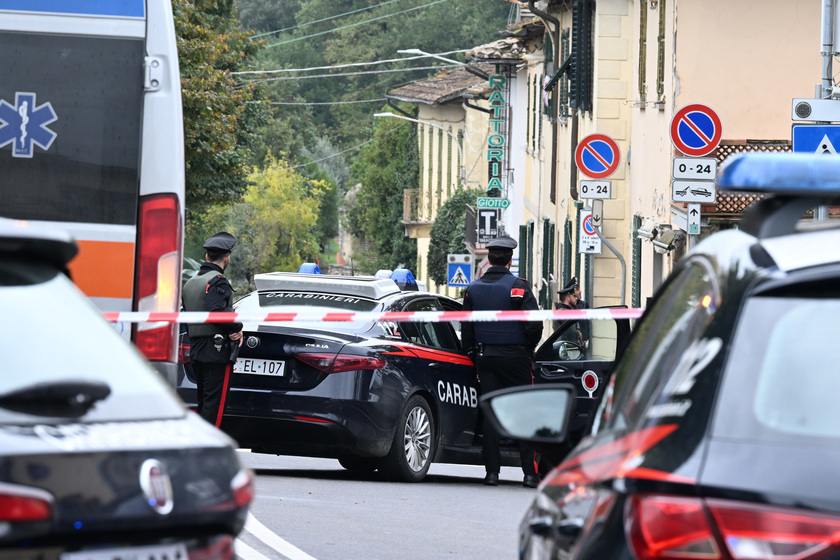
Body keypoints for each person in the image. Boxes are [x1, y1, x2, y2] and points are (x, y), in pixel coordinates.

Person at [462, 235, 543, 488]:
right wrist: (527, 349)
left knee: (491, 414)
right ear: (509, 260)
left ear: (489, 259)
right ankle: (530, 474)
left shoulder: (473, 289)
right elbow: (534, 325)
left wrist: (474, 356)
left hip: (486, 358)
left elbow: (467, 329)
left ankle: (492, 473)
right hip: (517, 357)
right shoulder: (519, 287)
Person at [182, 232, 243, 428]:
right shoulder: (217, 281)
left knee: (204, 402)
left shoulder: (191, 283)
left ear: (207, 256)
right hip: (215, 351)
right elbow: (216, 311)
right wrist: (236, 328)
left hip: (197, 349)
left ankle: (197, 445)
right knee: (214, 406)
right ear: (227, 257)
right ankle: (208, 449)